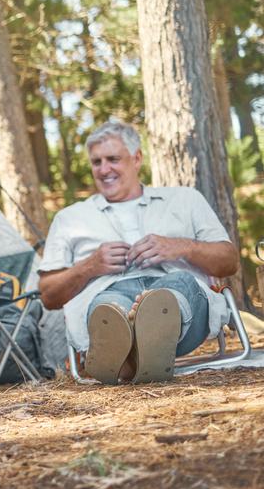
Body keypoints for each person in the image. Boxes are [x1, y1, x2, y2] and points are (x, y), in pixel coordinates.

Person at [37, 121, 238, 385]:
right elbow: (47, 296)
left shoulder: (184, 199)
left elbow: (229, 261)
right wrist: (89, 266)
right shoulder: (69, 218)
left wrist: (179, 246)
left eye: (113, 159)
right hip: (110, 292)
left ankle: (128, 356)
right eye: (96, 162)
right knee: (106, 307)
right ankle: (134, 349)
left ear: (137, 158)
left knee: (177, 286)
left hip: (179, 292)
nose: (104, 169)